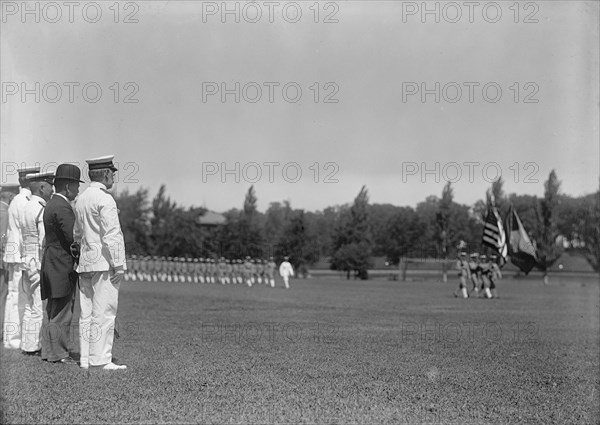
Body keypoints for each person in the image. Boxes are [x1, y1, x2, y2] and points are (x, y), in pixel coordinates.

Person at [74, 155, 127, 370]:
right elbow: (112, 234)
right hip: (104, 263)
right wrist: (119, 264)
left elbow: (78, 232)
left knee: (86, 313)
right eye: (112, 173)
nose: (113, 176)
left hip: (86, 261)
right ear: (105, 174)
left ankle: (86, 358)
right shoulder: (105, 199)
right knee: (104, 312)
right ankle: (102, 359)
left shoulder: (82, 198)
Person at [40, 164, 82, 365]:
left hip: (50, 261)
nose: (78, 190)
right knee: (63, 310)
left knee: (52, 309)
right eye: (76, 186)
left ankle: (49, 351)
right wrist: (82, 258)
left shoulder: (50, 204)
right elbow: (72, 239)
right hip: (62, 265)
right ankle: (59, 354)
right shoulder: (64, 208)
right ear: (67, 187)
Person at [3, 165, 40, 349]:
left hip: (17, 254)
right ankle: (12, 338)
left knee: (18, 297)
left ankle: (14, 337)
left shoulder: (20, 198)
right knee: (17, 297)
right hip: (19, 254)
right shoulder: (22, 200)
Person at [20, 172, 54, 354]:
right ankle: (34, 346)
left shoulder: (26, 206)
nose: (52, 189)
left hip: (26, 259)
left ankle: (27, 343)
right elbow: (44, 239)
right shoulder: (41, 208)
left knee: (29, 305)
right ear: (42, 187)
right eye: (50, 185)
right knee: (38, 307)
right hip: (37, 261)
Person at [0, 183, 20, 341]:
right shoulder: (4, 212)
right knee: (3, 295)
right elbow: (3, 241)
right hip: (1, 262)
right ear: (12, 196)